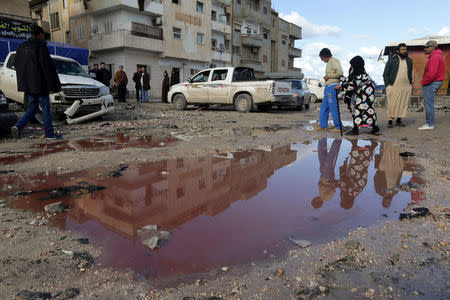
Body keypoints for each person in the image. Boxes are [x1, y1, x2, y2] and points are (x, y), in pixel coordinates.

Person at [10, 25, 62, 140]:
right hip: (40, 85)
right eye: (43, 35)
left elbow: (16, 64)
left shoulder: (21, 47)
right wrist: (50, 85)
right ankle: (49, 134)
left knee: (33, 108)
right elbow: (46, 67)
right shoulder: (40, 46)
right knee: (46, 108)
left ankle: (18, 126)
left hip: (28, 85)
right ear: (40, 34)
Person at [336, 56, 380, 136]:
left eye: (352, 65)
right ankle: (374, 128)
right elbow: (351, 80)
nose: (350, 67)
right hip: (365, 95)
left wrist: (341, 87)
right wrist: (341, 78)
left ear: (356, 66)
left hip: (365, 95)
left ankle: (356, 129)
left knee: (360, 110)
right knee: (368, 110)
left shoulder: (361, 76)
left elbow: (352, 85)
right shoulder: (361, 74)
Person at [383, 43, 413, 128]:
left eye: (405, 49)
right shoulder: (391, 60)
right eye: (402, 50)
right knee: (392, 103)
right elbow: (385, 74)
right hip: (394, 85)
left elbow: (410, 73)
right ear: (397, 51)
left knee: (403, 103)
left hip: (406, 85)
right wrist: (387, 85)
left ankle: (399, 120)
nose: (404, 51)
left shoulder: (409, 61)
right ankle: (390, 121)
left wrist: (410, 83)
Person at [419, 40, 445, 130]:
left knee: (429, 103)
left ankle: (429, 124)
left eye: (427, 47)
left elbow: (432, 74)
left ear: (433, 47)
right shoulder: (437, 56)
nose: (425, 49)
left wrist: (423, 82)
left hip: (432, 83)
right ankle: (430, 123)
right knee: (429, 103)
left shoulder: (434, 57)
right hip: (436, 82)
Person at [318, 48, 343, 133]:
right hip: (328, 87)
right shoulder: (329, 62)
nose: (321, 59)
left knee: (333, 108)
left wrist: (328, 75)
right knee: (324, 108)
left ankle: (338, 126)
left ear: (325, 56)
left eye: (321, 57)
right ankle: (323, 125)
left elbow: (340, 72)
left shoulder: (334, 61)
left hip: (332, 86)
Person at [311, 138, 342, 209]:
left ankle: (322, 140)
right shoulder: (327, 198)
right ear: (317, 201)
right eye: (315, 199)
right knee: (330, 158)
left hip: (323, 175)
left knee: (322, 156)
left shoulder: (321, 194)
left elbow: (321, 184)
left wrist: (321, 183)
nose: (315, 197)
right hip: (327, 176)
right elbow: (333, 189)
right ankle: (337, 140)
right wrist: (327, 184)